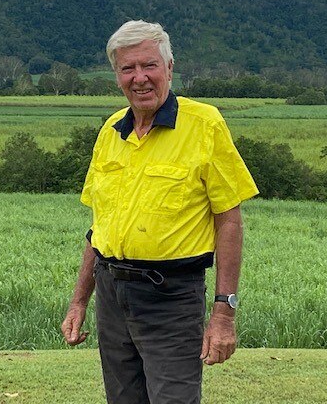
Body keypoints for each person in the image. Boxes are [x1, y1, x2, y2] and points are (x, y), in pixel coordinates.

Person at [61, 20, 258, 403]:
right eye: (127, 68)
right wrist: (79, 301)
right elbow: (98, 228)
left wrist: (224, 313)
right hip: (111, 294)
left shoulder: (204, 124)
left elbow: (229, 220)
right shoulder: (110, 132)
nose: (140, 78)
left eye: (149, 65)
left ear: (169, 67)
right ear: (116, 75)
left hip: (170, 296)